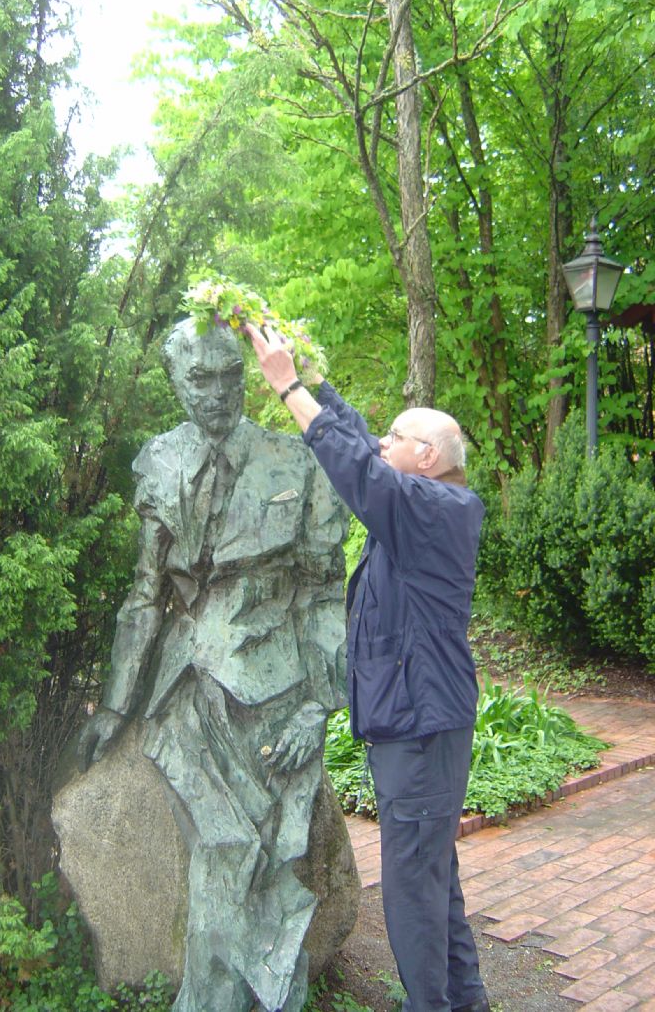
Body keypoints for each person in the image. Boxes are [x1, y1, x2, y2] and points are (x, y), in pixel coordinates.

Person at [77, 318, 349, 1012]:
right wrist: (114, 706)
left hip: (277, 692)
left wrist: (321, 705)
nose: (218, 392)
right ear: (173, 380)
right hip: (188, 688)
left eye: (231, 374)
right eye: (200, 377)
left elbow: (322, 592)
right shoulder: (159, 461)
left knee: (261, 861)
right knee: (227, 846)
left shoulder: (297, 463)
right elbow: (145, 596)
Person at [246, 322, 490, 1012]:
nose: (381, 443)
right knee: (433, 883)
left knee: (414, 892)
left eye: (394, 437)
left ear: (426, 455)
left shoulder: (435, 509)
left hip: (419, 729)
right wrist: (316, 377)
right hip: (419, 724)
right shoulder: (423, 503)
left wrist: (288, 387)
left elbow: (355, 467)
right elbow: (357, 443)